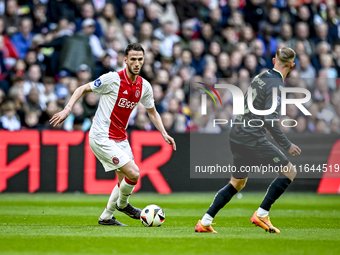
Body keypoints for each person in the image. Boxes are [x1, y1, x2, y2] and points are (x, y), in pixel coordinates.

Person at [50, 43, 176, 226]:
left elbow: (152, 112)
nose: (137, 63)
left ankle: (106, 217)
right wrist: (67, 109)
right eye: (133, 59)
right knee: (134, 173)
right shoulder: (112, 79)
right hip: (101, 136)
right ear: (125, 60)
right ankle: (123, 205)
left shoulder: (144, 86)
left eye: (140, 59)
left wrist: (164, 133)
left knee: (124, 180)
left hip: (120, 137)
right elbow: (82, 89)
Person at [195, 47, 301, 234]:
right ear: (292, 65)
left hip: (237, 133)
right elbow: (269, 119)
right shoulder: (276, 85)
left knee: (237, 183)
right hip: (251, 136)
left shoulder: (260, 77)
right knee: (289, 171)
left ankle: (204, 221)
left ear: (274, 60)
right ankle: (261, 214)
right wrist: (287, 145)